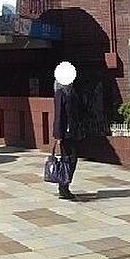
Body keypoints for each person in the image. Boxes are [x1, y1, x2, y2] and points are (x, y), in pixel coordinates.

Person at [53, 65, 79, 201]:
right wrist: (58, 136)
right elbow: (58, 114)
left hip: (72, 131)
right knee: (69, 159)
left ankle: (64, 185)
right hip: (64, 133)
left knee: (70, 159)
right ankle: (63, 186)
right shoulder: (60, 92)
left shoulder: (71, 91)